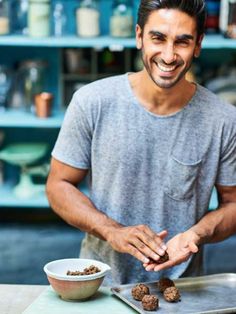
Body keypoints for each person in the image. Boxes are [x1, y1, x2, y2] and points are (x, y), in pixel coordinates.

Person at [46, 0, 236, 286]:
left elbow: (233, 204)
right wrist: (111, 230)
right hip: (99, 284)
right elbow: (58, 185)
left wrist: (196, 234)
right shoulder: (92, 102)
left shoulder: (223, 119)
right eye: (158, 38)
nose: (169, 56)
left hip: (181, 290)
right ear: (139, 37)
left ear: (198, 45)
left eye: (182, 42)